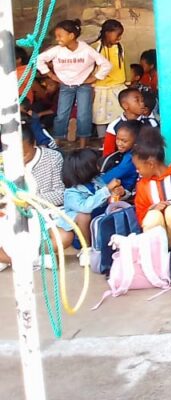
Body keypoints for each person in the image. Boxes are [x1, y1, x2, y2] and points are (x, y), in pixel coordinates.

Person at [36, 19, 112, 147]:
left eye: (60, 35)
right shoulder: (57, 50)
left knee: (83, 115)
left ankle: (83, 144)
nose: (57, 38)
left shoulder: (86, 49)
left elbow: (106, 64)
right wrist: (50, 75)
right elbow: (39, 59)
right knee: (61, 115)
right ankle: (57, 141)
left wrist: (94, 78)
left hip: (83, 86)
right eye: (56, 36)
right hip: (66, 86)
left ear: (71, 36)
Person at [0, 124, 65, 271]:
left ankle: (10, 258)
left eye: (24, 155)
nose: (19, 160)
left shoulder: (52, 158)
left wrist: (29, 200)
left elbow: (60, 194)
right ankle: (36, 259)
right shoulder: (3, 161)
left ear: (34, 144)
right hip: (9, 216)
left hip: (44, 214)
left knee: (64, 237)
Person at [61, 149, 125, 261]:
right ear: (85, 169)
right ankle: (87, 249)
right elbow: (86, 207)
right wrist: (107, 189)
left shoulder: (96, 181)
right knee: (83, 216)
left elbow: (105, 199)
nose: (98, 166)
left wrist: (117, 192)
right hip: (82, 235)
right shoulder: (71, 193)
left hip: (98, 225)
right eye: (95, 164)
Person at [92, 19, 127, 133]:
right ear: (107, 33)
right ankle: (102, 138)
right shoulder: (96, 48)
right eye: (118, 35)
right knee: (100, 115)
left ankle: (118, 135)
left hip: (117, 87)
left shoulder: (120, 47)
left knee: (118, 114)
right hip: (101, 88)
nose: (119, 38)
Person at [101, 87, 158, 157]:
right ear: (125, 106)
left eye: (142, 100)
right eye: (137, 100)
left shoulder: (151, 123)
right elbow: (108, 154)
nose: (142, 103)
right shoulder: (114, 126)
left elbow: (157, 148)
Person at [100, 118, 142, 196]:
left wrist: (94, 183)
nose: (119, 143)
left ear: (136, 142)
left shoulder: (131, 159)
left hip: (125, 192)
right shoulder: (128, 153)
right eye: (117, 139)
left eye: (124, 141)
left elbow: (109, 177)